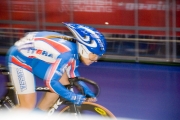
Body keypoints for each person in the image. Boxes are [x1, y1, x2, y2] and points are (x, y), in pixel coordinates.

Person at [6, 22, 106, 111]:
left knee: (63, 83)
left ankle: (38, 115)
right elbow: (51, 82)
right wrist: (72, 97)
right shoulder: (67, 54)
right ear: (85, 48)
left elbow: (72, 74)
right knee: (27, 106)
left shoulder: (76, 50)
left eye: (98, 56)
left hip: (35, 57)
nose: (95, 59)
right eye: (94, 55)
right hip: (19, 58)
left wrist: (86, 90)